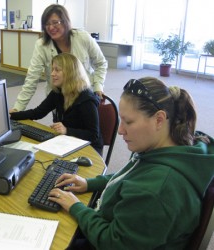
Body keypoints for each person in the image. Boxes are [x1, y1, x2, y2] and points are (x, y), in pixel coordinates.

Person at [48, 77, 214, 249]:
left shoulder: (156, 191)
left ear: (159, 119)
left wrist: (77, 207)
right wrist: (89, 183)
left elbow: (113, 243)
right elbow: (131, 176)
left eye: (129, 122)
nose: (120, 130)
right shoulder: (167, 147)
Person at [10, 4, 107, 113]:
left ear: (65, 21)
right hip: (59, 99)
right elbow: (31, 79)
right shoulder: (42, 46)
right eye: (47, 24)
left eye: (55, 22)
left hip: (84, 96)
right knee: (60, 128)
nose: (51, 27)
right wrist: (18, 108)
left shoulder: (83, 37)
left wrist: (98, 86)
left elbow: (101, 63)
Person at [10, 53, 103, 155]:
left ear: (70, 73)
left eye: (57, 70)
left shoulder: (86, 99)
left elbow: (93, 135)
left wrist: (67, 130)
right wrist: (13, 115)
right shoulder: (58, 92)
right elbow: (38, 112)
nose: (52, 74)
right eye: (53, 69)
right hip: (67, 141)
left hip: (89, 148)